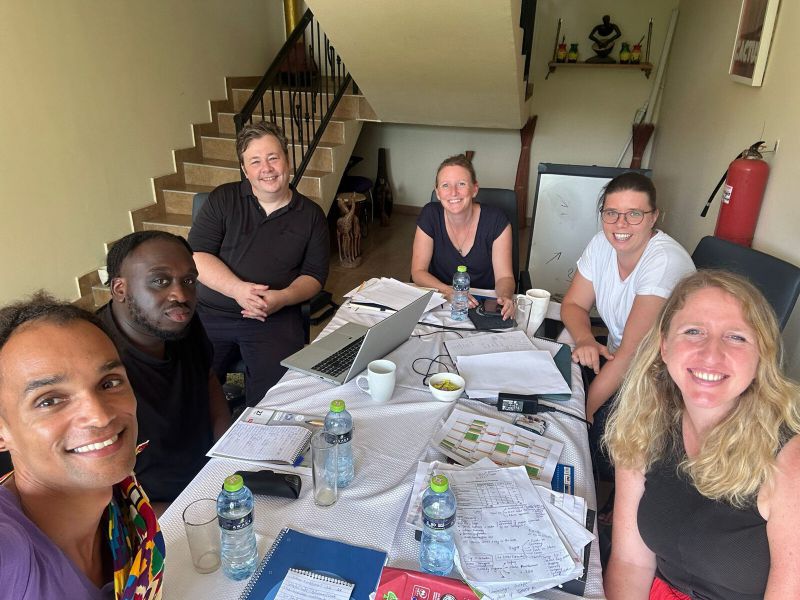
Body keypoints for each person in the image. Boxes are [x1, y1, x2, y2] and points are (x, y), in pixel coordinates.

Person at [604, 271, 800, 600]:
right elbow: (631, 563)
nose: (711, 354)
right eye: (693, 331)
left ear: (761, 356)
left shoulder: (790, 461)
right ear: (664, 346)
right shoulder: (645, 423)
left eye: (736, 337)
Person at [0, 292, 164, 599]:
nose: (100, 416)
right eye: (49, 400)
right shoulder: (10, 553)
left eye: (109, 383)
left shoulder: (122, 502)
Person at [561, 172, 694, 481]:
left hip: (659, 378)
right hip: (619, 360)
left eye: (634, 214)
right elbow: (573, 304)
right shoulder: (601, 244)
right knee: (553, 390)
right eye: (611, 213)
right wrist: (584, 338)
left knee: (593, 443)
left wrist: (584, 414)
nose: (620, 224)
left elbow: (632, 355)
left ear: (653, 217)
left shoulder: (663, 262)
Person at [189, 121, 329, 405]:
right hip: (212, 314)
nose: (266, 168)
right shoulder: (223, 199)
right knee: (190, 390)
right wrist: (238, 290)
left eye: (273, 157)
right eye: (255, 161)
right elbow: (197, 255)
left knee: (274, 398)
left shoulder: (311, 215)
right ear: (245, 169)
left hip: (273, 318)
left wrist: (282, 297)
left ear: (287, 160)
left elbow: (314, 276)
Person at [98, 230, 230, 505]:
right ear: (120, 289)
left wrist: (227, 452)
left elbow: (207, 378)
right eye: (160, 281)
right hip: (156, 510)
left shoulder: (179, 321)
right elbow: (102, 491)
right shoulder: (95, 359)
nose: (181, 295)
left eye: (189, 280)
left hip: (214, 476)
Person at [411, 154, 515, 319]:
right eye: (445, 185)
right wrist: (448, 292)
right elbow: (418, 271)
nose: (453, 192)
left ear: (474, 189)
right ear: (438, 192)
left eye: (461, 184)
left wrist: (505, 297)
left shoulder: (496, 220)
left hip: (484, 307)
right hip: (441, 302)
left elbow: (505, 277)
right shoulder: (430, 215)